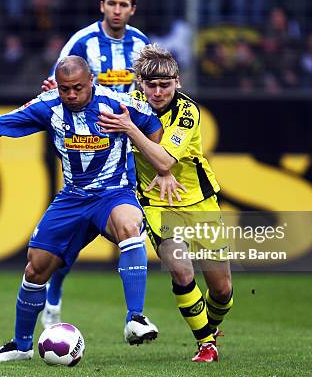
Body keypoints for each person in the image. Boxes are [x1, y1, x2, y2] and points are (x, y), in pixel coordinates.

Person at [0, 56, 161, 362]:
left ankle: (136, 318)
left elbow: (153, 125)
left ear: (91, 80)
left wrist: (154, 167)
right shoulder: (47, 105)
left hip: (113, 193)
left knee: (131, 225)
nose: (71, 95)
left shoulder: (118, 103)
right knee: (35, 268)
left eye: (77, 88)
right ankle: (22, 345)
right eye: (65, 89)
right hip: (72, 198)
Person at [97, 45, 234, 362]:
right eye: (152, 85)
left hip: (199, 202)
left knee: (222, 291)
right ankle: (206, 346)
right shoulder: (128, 105)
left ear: (178, 83)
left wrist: (151, 153)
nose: (158, 92)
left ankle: (209, 329)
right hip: (156, 204)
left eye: (165, 85)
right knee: (181, 271)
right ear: (140, 84)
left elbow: (164, 157)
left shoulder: (188, 113)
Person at [40, 0, 150, 328]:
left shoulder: (141, 44)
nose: (117, 10)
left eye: (123, 5)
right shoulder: (82, 42)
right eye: (111, 3)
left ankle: (136, 316)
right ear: (102, 6)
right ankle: (53, 292)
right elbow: (55, 84)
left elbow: (151, 92)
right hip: (86, 147)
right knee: (76, 231)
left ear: (132, 9)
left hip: (127, 146)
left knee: (131, 226)